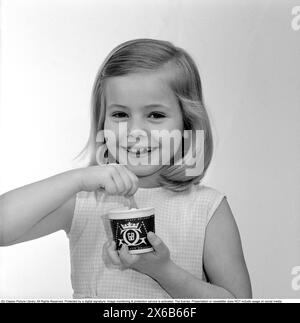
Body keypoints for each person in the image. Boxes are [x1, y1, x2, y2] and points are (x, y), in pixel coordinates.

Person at [0, 38, 252, 299]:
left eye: (155, 115)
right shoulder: (86, 199)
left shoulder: (207, 207)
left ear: (186, 124)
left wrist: (163, 271)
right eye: (120, 115)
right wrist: (77, 179)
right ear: (103, 122)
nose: (135, 132)